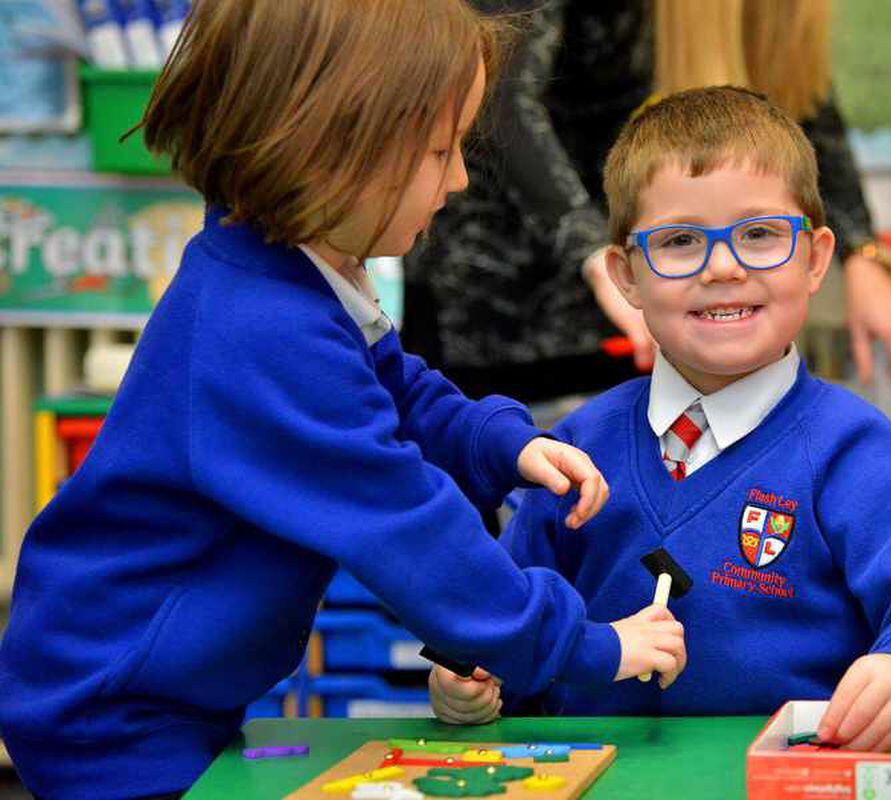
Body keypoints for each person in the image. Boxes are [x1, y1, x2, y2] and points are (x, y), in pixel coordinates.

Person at [0, 3, 687, 797]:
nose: (461, 178)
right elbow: (411, 528)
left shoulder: (295, 267)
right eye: (439, 151)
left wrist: (499, 442)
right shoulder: (265, 329)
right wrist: (586, 646)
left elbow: (396, 387)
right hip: (111, 716)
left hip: (160, 696)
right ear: (331, 149)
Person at [428, 87, 891, 751]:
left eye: (760, 235)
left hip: (783, 785)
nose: (724, 267)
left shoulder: (854, 448)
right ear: (626, 276)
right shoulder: (576, 448)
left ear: (817, 258)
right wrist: (470, 684)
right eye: (679, 242)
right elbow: (503, 621)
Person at [402, 0, 891, 404]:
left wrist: (862, 253)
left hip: (639, 302)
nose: (729, 269)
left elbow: (798, 95)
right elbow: (501, 95)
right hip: (498, 313)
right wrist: (592, 254)